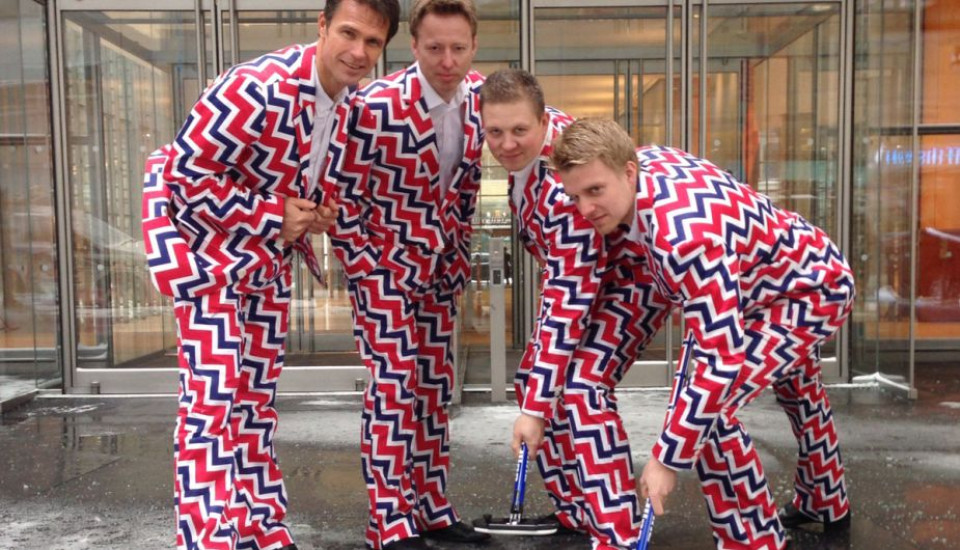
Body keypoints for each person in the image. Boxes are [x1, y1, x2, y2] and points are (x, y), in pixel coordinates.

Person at [140, 2, 401, 549]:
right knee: (212, 406)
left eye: (373, 42)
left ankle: (260, 528)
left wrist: (315, 212)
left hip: (266, 263)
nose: (358, 52)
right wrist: (271, 214)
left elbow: (292, 177)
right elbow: (184, 176)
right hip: (207, 262)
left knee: (254, 406)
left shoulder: (347, 104)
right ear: (322, 26)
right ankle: (207, 539)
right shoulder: (256, 86)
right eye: (348, 33)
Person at [549, 118, 855, 550]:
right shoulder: (640, 164)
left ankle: (754, 542)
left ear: (629, 172)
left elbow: (719, 363)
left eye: (595, 191)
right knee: (799, 394)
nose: (584, 209)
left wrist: (666, 458)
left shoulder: (684, 238)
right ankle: (825, 500)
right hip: (777, 271)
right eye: (575, 196)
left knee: (711, 411)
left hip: (809, 291)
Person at [481, 69, 671, 550]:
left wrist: (533, 410)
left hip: (634, 280)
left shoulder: (564, 184)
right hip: (590, 279)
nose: (506, 144)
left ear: (544, 121)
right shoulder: (527, 158)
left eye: (519, 130)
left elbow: (571, 294)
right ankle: (577, 510)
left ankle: (616, 530)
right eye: (495, 132)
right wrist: (536, 398)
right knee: (537, 382)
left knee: (583, 386)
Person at [325, 1, 487, 549]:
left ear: (473, 47)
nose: (447, 60)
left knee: (434, 391)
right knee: (394, 391)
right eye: (434, 47)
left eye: (458, 48)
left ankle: (432, 506)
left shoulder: (481, 98)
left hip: (444, 271)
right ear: (413, 46)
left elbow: (538, 123)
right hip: (384, 272)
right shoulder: (373, 105)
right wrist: (365, 268)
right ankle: (390, 521)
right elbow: (340, 194)